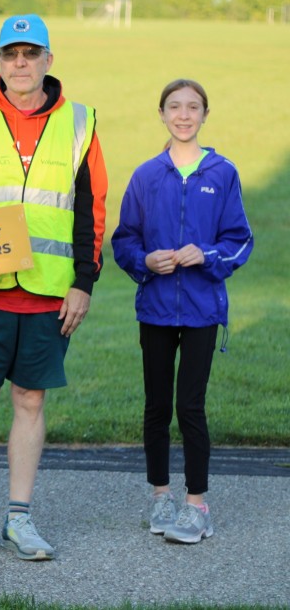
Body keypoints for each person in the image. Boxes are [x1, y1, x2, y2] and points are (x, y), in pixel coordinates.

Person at [0, 14, 108, 561]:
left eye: (32, 53)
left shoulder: (80, 122)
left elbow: (91, 211)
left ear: (49, 60)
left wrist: (84, 283)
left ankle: (21, 519)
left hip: (50, 292)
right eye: (12, 54)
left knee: (30, 400)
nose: (21, 63)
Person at [111, 79, 252, 545]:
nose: (184, 114)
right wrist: (144, 261)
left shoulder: (223, 173)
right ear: (162, 114)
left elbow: (240, 241)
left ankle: (196, 507)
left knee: (190, 406)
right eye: (175, 106)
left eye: (193, 107)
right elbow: (124, 239)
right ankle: (160, 496)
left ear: (205, 115)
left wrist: (207, 256)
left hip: (201, 312)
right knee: (156, 406)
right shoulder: (146, 175)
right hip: (154, 308)